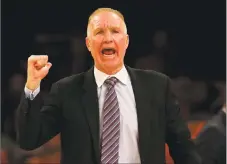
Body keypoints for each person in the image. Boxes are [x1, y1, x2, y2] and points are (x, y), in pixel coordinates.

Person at [16, 8, 201, 164]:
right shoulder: (66, 91)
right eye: (99, 32)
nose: (108, 39)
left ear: (126, 41)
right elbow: (28, 140)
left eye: (115, 31)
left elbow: (183, 148)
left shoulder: (157, 87)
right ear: (88, 44)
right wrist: (32, 85)